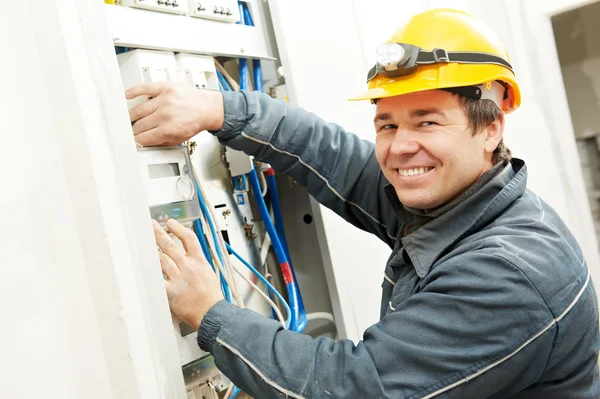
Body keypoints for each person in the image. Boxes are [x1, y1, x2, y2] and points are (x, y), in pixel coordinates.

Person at [127, 8, 599, 399]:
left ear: (491, 128)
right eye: (387, 124)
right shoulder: (462, 201)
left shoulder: (508, 271)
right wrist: (219, 109)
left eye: (427, 122)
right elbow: (337, 159)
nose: (400, 147)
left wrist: (209, 310)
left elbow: (351, 388)